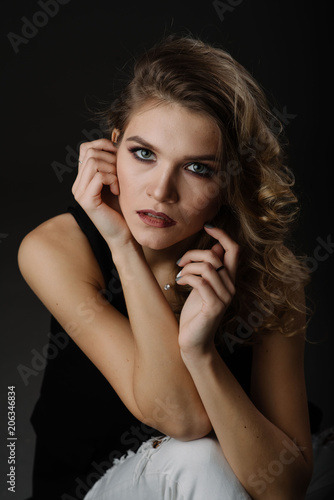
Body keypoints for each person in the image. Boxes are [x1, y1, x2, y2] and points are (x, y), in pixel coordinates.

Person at [18, 34, 314, 499]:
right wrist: (121, 245)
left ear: (229, 185)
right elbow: (182, 419)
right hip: (96, 488)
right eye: (143, 154)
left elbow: (284, 487)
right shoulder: (54, 248)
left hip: (230, 484)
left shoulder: (270, 276)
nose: (161, 191)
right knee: (197, 456)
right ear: (111, 149)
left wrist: (201, 353)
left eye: (198, 169)